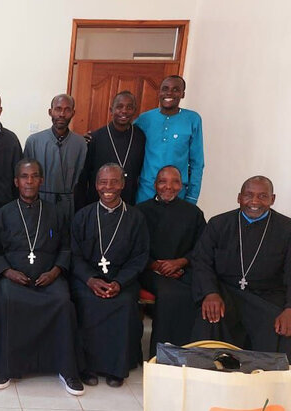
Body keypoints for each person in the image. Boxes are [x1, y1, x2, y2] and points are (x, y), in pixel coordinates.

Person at [0, 159, 84, 395]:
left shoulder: (56, 213)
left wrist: (56, 271)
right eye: (24, 177)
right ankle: (5, 367)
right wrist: (7, 272)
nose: (29, 182)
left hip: (48, 278)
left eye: (34, 176)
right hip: (13, 279)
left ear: (41, 180)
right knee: (7, 300)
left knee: (62, 302)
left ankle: (66, 369)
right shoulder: (4, 213)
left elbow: (66, 248)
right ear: (16, 182)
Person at [192, 176, 291, 359]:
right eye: (249, 195)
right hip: (226, 292)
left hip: (267, 296)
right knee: (209, 316)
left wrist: (290, 308)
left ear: (273, 199)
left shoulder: (287, 229)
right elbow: (201, 261)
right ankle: (207, 374)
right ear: (239, 197)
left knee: (281, 326)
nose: (254, 201)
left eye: (262, 196)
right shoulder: (219, 224)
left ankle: (267, 380)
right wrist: (210, 293)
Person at [70, 163, 149, 387]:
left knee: (123, 303)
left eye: (114, 182)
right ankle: (87, 367)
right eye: (103, 182)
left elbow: (140, 257)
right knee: (87, 301)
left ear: (123, 184)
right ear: (95, 185)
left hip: (123, 279)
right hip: (88, 278)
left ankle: (117, 368)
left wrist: (119, 282)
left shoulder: (136, 218)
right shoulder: (83, 216)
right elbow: (74, 255)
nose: (108, 187)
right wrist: (90, 279)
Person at [136, 166, 206, 357]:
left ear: (181, 185)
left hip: (184, 269)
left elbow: (203, 248)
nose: (169, 186)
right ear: (155, 185)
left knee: (201, 290)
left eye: (175, 181)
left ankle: (191, 354)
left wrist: (180, 262)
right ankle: (163, 357)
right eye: (163, 181)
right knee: (170, 293)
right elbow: (134, 249)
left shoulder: (193, 213)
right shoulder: (140, 211)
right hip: (149, 270)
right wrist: (156, 265)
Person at [135, 75, 204, 204]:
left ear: (182, 94)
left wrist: (192, 197)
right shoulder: (144, 119)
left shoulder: (193, 120)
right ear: (159, 92)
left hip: (177, 194)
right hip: (146, 192)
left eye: (175, 89)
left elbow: (197, 163)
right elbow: (123, 135)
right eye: (165, 88)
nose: (169, 93)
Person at [24, 94, 87, 226]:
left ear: (73, 112)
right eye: (58, 109)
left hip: (68, 205)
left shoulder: (80, 143)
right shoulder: (34, 141)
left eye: (67, 109)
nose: (62, 114)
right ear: (50, 111)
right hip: (39, 203)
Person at [77, 91, 146, 208]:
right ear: (111, 110)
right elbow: (83, 179)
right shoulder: (95, 138)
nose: (124, 111)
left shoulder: (140, 137)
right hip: (97, 202)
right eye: (119, 107)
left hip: (129, 202)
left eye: (129, 107)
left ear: (135, 111)